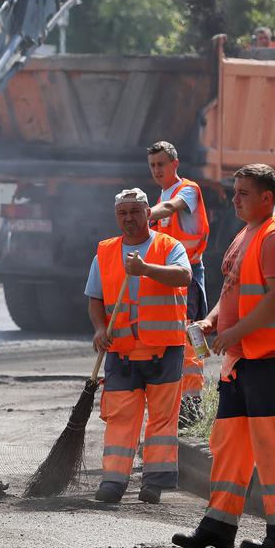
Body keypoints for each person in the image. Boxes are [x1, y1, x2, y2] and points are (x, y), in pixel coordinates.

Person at [172, 163, 275, 548]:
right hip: (242, 359)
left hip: (272, 359)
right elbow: (232, 290)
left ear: (267, 198)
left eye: (243, 193)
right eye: (235, 192)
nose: (234, 199)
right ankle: (218, 526)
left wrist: (236, 333)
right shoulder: (247, 233)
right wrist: (213, 320)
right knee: (229, 445)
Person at [85, 187, 193, 504]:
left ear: (149, 212)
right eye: (123, 213)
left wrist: (145, 269)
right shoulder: (105, 252)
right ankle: (113, 482)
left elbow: (184, 276)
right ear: (116, 216)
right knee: (121, 418)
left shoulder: (168, 246)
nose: (129, 218)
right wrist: (100, 329)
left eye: (135, 211)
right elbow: (95, 298)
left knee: (161, 419)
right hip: (121, 352)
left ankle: (154, 484)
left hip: (164, 350)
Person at [146, 141, 209, 427]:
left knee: (187, 337)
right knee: (174, 337)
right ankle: (177, 403)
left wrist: (142, 214)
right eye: (153, 166)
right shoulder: (162, 194)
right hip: (171, 276)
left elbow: (172, 208)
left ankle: (191, 406)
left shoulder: (186, 190)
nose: (157, 170)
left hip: (190, 275)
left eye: (161, 164)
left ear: (175, 164)